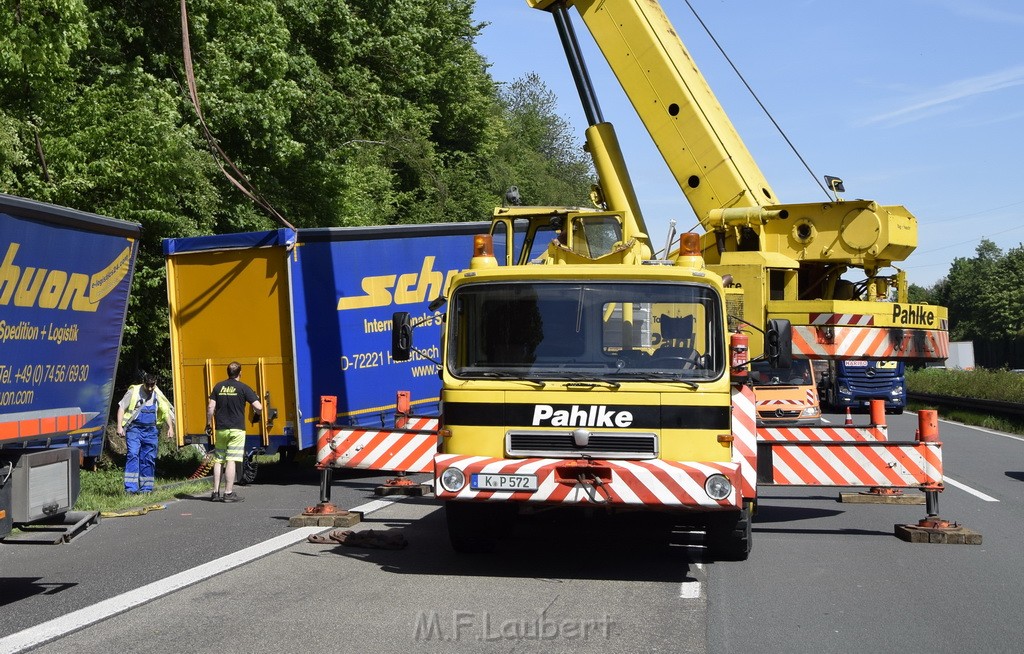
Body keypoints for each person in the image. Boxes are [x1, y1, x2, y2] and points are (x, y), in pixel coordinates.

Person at [207, 361, 262, 502]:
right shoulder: (243, 388)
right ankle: (228, 493)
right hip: (236, 429)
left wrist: (208, 423)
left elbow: (210, 407)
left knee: (219, 460)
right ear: (240, 373)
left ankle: (215, 493)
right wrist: (257, 413)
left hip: (221, 428)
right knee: (231, 459)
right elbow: (259, 407)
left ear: (228, 372)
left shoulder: (218, 386)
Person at [116, 373, 175, 494]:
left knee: (148, 458)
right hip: (134, 429)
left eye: (152, 385)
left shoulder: (157, 394)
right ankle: (131, 489)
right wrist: (119, 426)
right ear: (143, 382)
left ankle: (146, 489)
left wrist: (170, 428)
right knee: (132, 454)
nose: (149, 388)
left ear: (155, 384)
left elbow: (165, 412)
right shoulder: (133, 392)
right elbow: (121, 408)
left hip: (150, 431)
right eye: (147, 385)